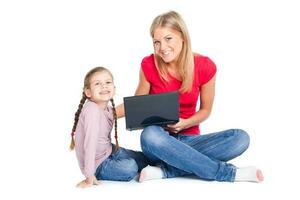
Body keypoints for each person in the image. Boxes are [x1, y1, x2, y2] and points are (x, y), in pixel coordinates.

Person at [116, 11, 264, 183]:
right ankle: (226, 173)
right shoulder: (148, 64)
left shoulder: (205, 66)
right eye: (157, 42)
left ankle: (167, 170)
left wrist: (184, 124)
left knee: (240, 138)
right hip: (159, 140)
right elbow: (136, 106)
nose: (162, 47)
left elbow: (206, 110)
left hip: (191, 139)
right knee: (149, 134)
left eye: (168, 39)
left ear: (183, 37)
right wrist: (103, 113)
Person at [69, 67, 149, 188]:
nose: (104, 86)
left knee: (143, 158)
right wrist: (89, 175)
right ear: (88, 92)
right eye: (97, 84)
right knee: (130, 167)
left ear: (114, 88)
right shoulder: (92, 111)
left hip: (108, 151)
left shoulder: (108, 109)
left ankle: (155, 168)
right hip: (97, 164)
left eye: (108, 82)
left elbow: (128, 110)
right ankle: (99, 172)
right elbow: (89, 143)